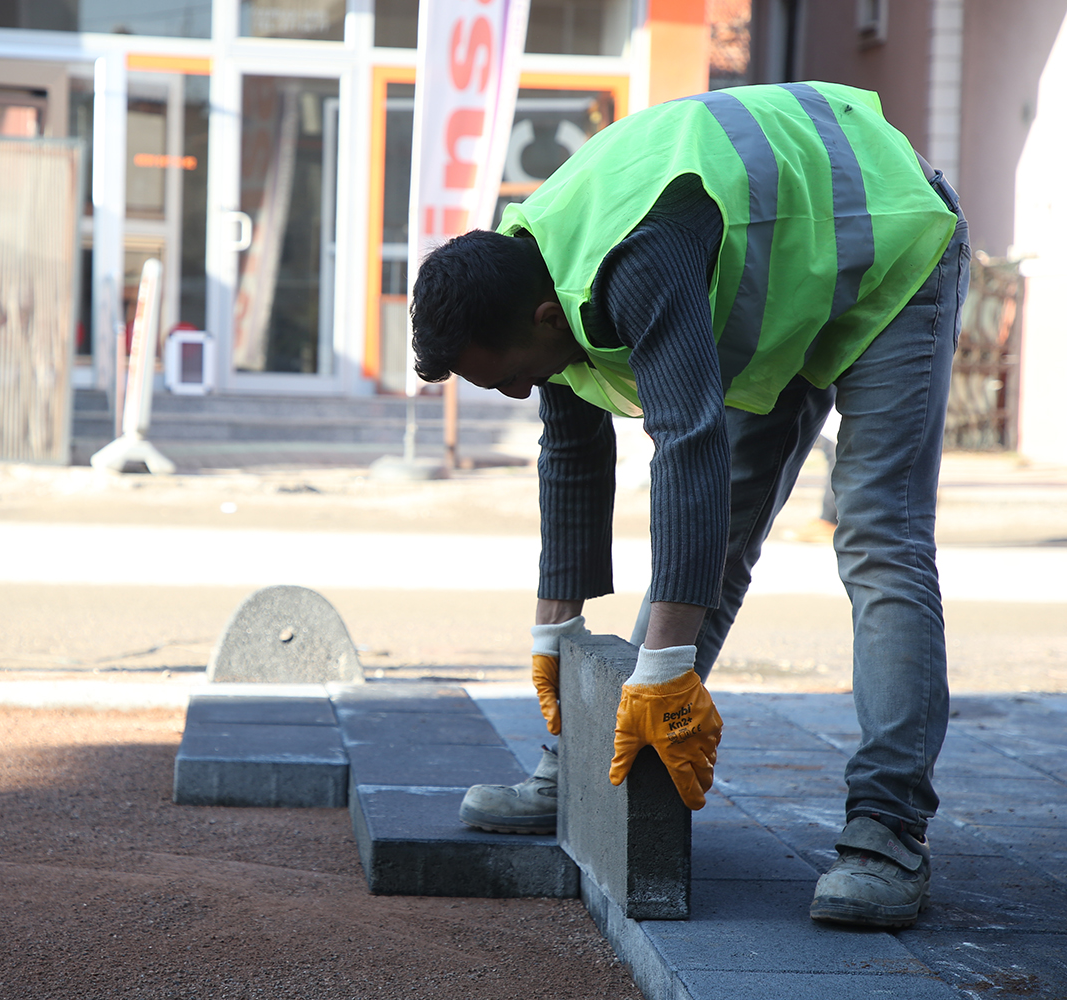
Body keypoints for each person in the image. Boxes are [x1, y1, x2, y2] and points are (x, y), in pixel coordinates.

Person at [411, 81, 968, 929]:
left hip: (887, 247)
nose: (521, 390)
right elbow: (571, 457)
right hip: (791, 281)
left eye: (511, 374)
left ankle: (886, 830)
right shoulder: (531, 265)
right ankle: (591, 766)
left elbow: (689, 445)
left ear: (536, 316)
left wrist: (663, 669)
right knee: (724, 531)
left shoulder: (635, 260)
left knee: (876, 534)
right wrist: (555, 649)